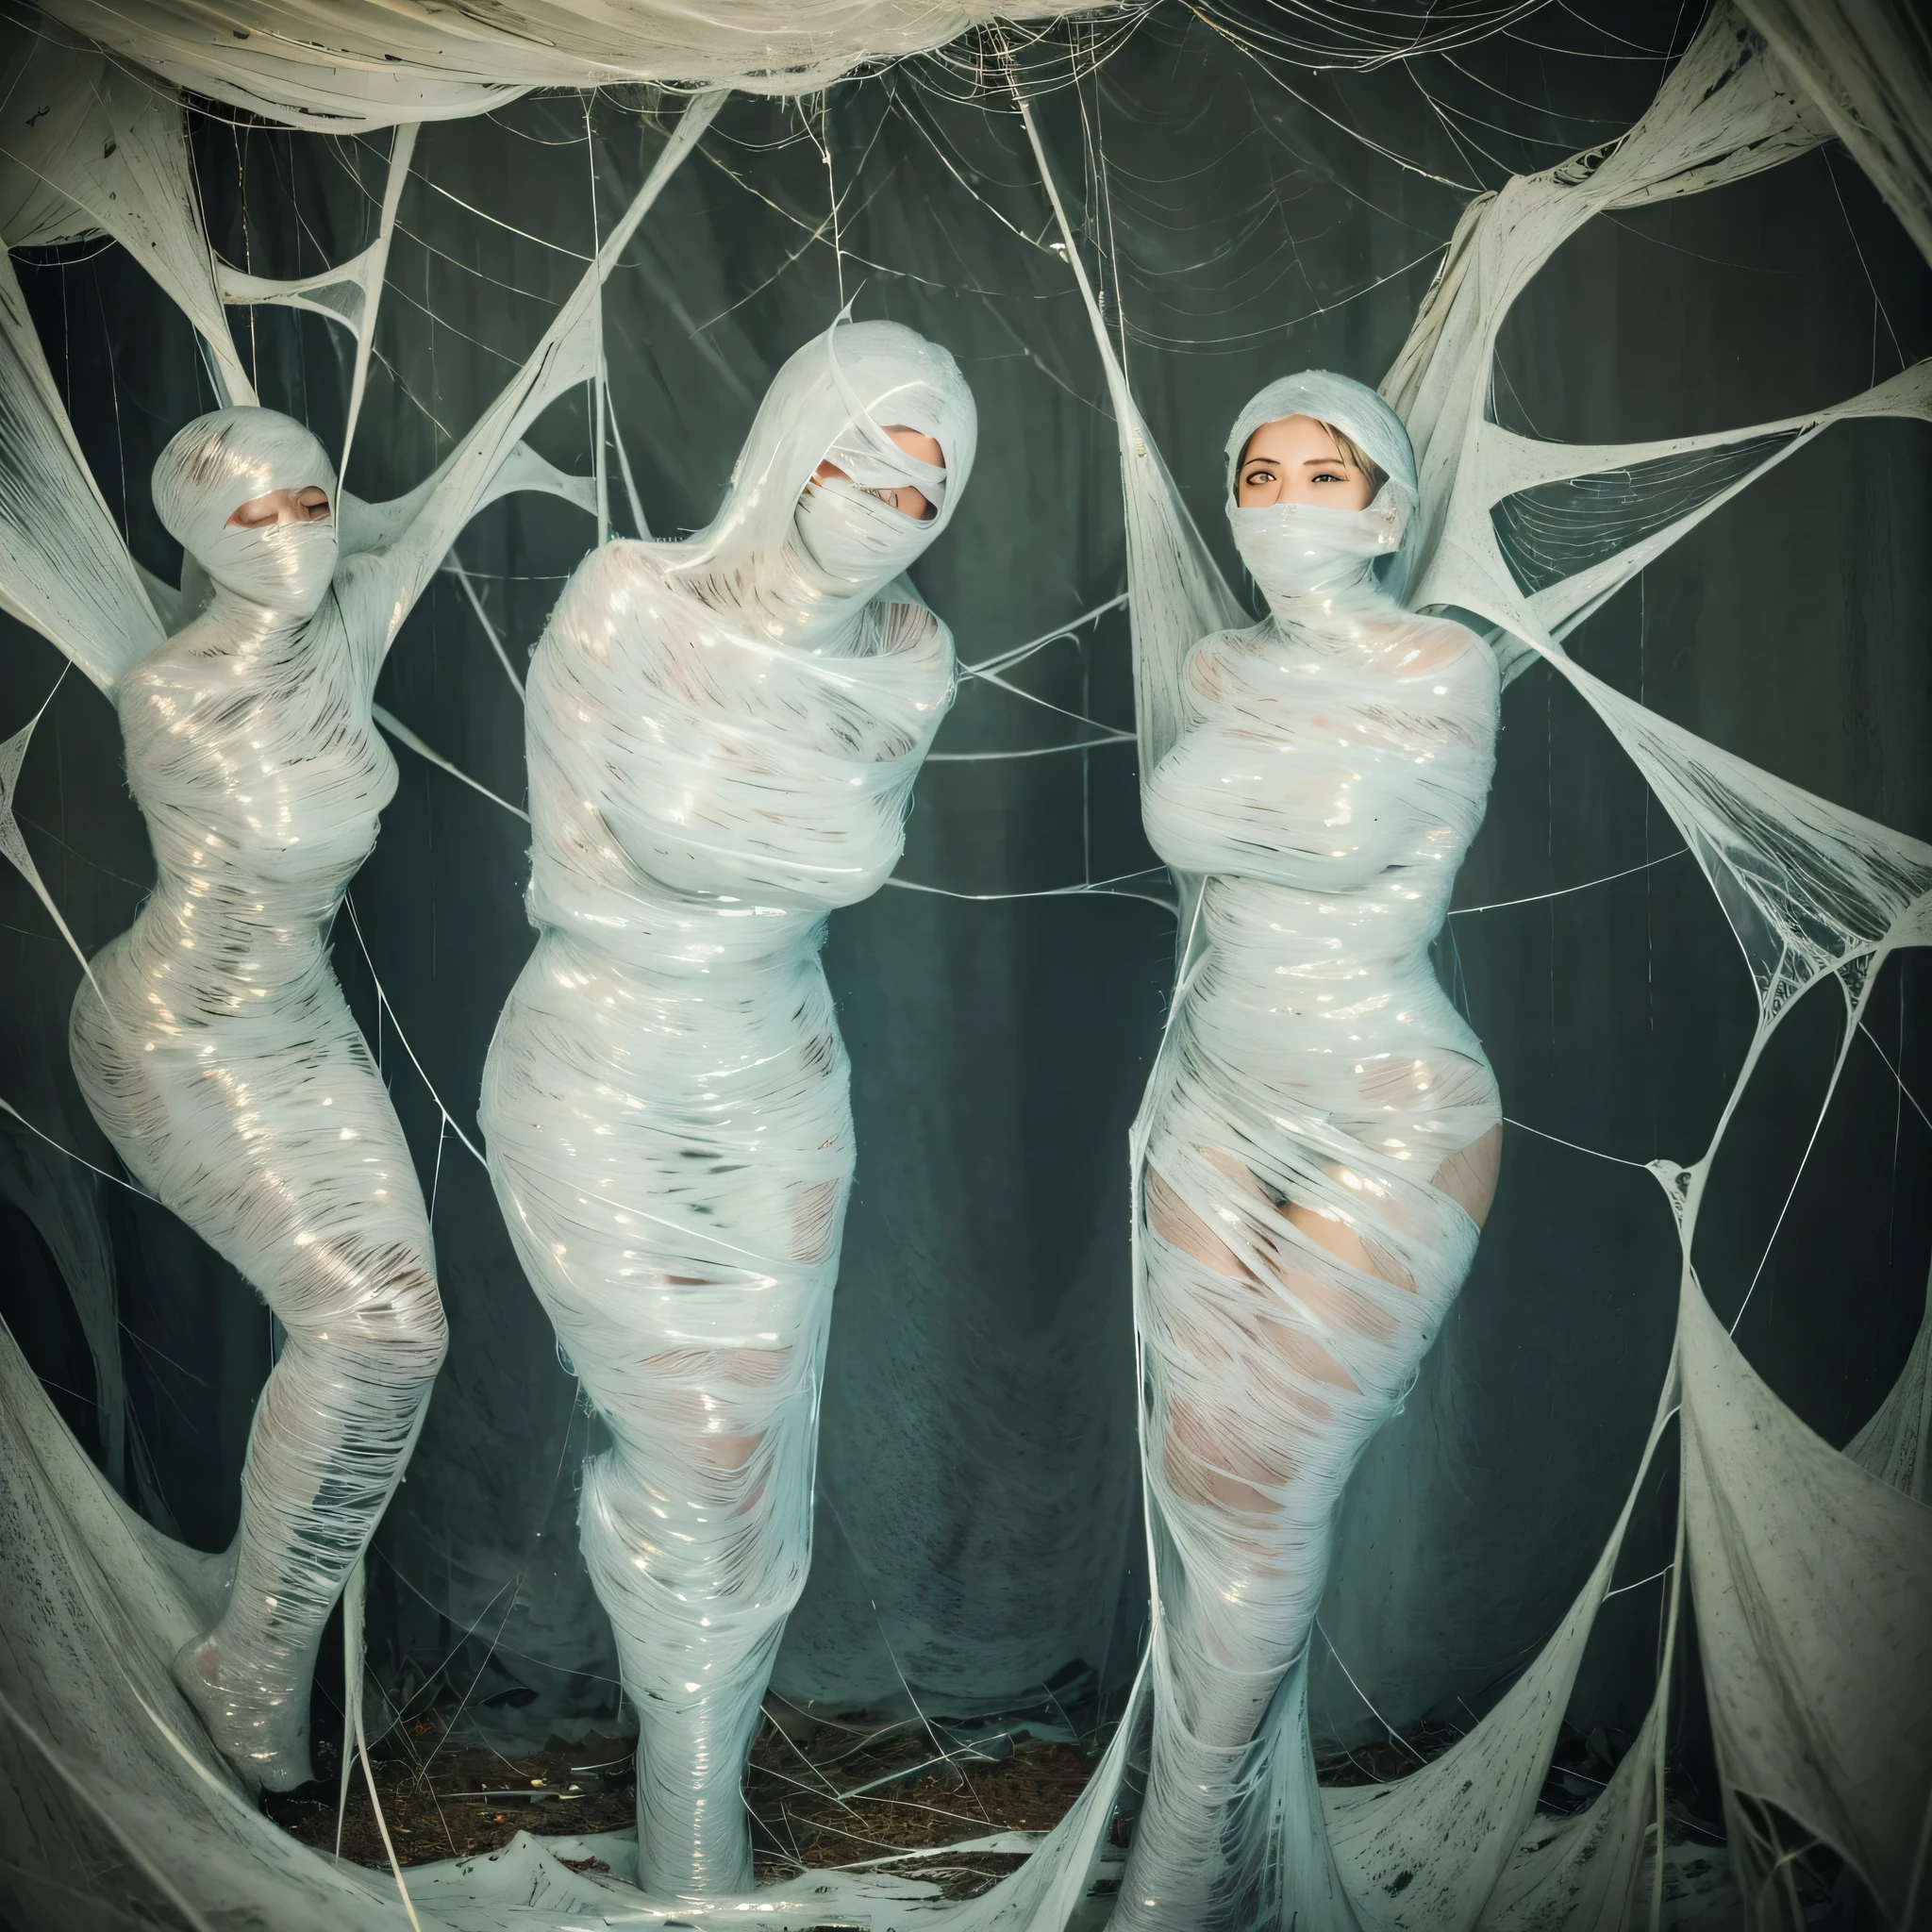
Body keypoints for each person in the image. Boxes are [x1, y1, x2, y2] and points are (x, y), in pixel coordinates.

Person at [479, 319, 975, 1901]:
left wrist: (745, 833)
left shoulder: (909, 654)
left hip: (782, 1077)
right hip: (598, 1065)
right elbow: (641, 843)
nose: (883, 506)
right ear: (788, 446)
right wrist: (774, 836)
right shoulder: (630, 591)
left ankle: (693, 1811)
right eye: (857, 458)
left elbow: (819, 849)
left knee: (749, 1451)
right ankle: (686, 1819)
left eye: (924, 488)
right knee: (685, 1435)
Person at [66, 404, 537, 1791]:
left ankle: (249, 1655)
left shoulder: (345, 614)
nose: (291, 542)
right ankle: (256, 1668)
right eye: (250, 518)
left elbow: (428, 509)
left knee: (401, 1336)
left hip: (303, 1012)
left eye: (312, 508)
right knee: (373, 1330)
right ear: (198, 536)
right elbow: (274, 799)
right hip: (176, 1033)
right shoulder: (171, 692)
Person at [1117, 374, 1502, 1928]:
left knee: (1270, 1472)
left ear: (1388, 508)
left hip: (1388, 1108)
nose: (1281, 502)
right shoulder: (1214, 666)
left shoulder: (1443, 665)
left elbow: (1357, 838)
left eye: (1321, 475)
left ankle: (1180, 1860)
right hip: (1211, 1098)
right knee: (1200, 1469)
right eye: (1255, 473)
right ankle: (1226, 1829)